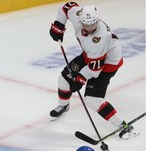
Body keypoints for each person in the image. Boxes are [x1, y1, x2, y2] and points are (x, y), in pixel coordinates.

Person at [48, 2, 138, 139]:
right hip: (89, 56)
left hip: (108, 64)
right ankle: (63, 106)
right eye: (87, 24)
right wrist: (58, 25)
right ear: (81, 19)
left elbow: (95, 70)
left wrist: (79, 79)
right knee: (63, 81)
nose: (90, 28)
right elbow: (67, 6)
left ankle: (123, 125)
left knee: (92, 99)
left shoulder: (100, 38)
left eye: (93, 24)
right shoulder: (77, 15)